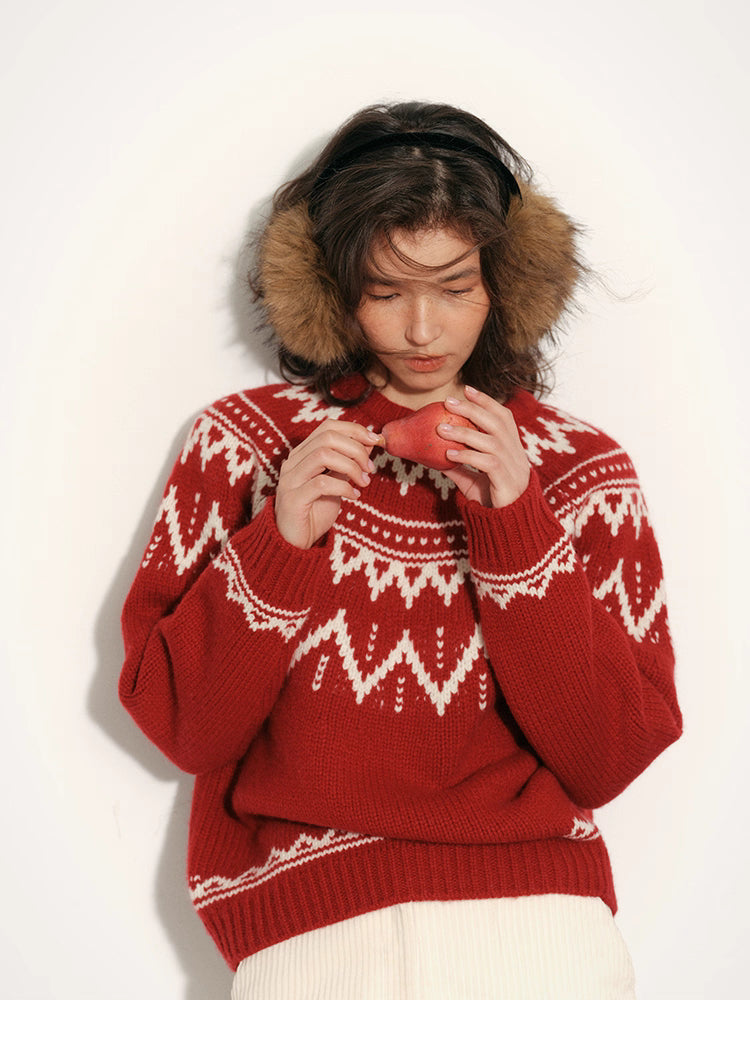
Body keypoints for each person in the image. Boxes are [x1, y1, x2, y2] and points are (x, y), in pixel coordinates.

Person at [119, 101, 682, 999]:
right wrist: (280, 542)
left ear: (506, 281)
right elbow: (185, 728)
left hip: (545, 934)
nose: (422, 330)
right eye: (385, 291)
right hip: (309, 943)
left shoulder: (585, 471)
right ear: (334, 285)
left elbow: (607, 757)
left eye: (455, 287)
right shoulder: (243, 446)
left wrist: (517, 526)